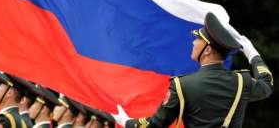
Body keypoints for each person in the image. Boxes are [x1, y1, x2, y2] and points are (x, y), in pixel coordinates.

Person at [112, 12, 274, 128]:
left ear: (208, 50)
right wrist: (252, 53)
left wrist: (128, 122)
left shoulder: (182, 86)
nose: (193, 42)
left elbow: (155, 124)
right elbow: (266, 86)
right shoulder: (241, 82)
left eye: (198, 39)